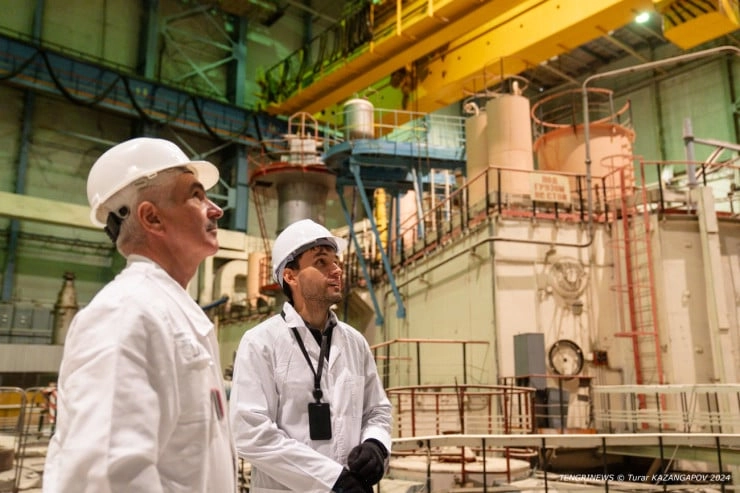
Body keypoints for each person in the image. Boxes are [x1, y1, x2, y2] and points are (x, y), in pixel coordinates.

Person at [43, 137, 236, 493]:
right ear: (152, 218)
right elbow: (105, 478)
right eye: (196, 196)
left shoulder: (167, 312)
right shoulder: (124, 315)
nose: (216, 210)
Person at [229, 219, 393, 493]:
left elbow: (377, 410)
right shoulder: (261, 343)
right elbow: (250, 432)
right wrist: (331, 479)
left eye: (335, 261)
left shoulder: (355, 342)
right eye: (321, 262)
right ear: (290, 276)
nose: (336, 269)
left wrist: (375, 445)